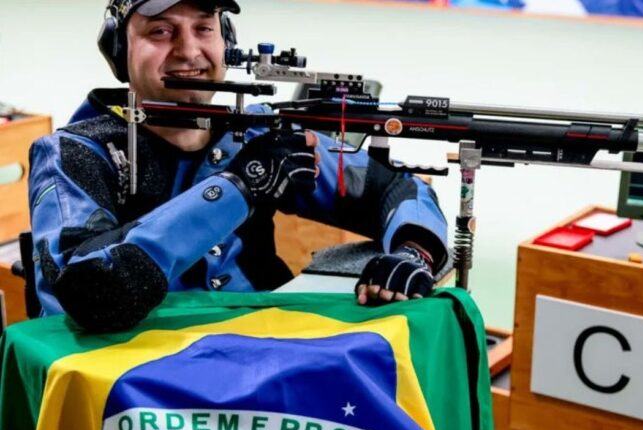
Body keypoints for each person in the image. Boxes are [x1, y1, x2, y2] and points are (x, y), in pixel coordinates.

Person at [27, 0, 448, 332]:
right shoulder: (73, 154)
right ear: (119, 50)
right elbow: (91, 290)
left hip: (259, 355)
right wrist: (240, 187)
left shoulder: (257, 132)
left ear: (225, 41)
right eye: (160, 31)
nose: (189, 50)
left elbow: (398, 189)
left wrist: (414, 253)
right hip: (135, 385)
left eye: (204, 27)